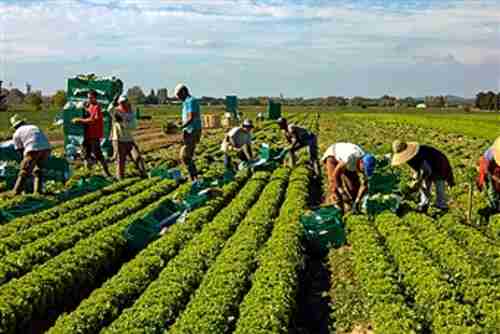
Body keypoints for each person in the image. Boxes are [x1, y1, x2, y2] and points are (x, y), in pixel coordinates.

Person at [391, 140, 454, 212]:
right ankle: (424, 203)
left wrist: (418, 182)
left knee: (439, 186)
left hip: (439, 165)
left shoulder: (420, 154)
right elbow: (416, 169)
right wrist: (415, 180)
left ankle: (442, 205)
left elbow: (426, 171)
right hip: (427, 167)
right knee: (424, 186)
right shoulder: (409, 157)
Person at [322, 143, 376, 213]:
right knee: (335, 188)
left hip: (349, 163)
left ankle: (353, 208)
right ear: (361, 162)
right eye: (363, 169)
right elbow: (335, 175)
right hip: (333, 156)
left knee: (354, 186)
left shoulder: (365, 164)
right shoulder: (349, 158)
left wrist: (357, 200)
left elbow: (364, 185)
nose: (363, 172)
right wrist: (342, 192)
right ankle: (339, 211)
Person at [73, 90, 112, 177]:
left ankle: (106, 172)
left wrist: (80, 120)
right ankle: (88, 173)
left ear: (95, 98)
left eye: (91, 97)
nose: (89, 99)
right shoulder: (89, 106)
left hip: (94, 135)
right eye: (88, 97)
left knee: (98, 154)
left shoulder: (97, 107)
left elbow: (92, 120)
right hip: (87, 134)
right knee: (86, 154)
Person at [9, 114, 51, 195]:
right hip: (46, 148)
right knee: (38, 170)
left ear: (15, 127)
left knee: (24, 171)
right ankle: (38, 191)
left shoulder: (16, 134)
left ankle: (16, 192)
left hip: (32, 148)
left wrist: (25, 163)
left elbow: (21, 150)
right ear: (23, 122)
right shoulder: (33, 126)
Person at [109, 95, 147, 178]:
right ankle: (120, 178)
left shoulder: (131, 112)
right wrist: (113, 101)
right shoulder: (117, 111)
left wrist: (123, 122)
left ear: (127, 103)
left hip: (129, 139)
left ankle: (144, 174)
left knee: (137, 157)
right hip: (118, 139)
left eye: (124, 102)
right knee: (121, 160)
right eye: (121, 103)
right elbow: (110, 110)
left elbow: (133, 126)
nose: (123, 104)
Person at [175, 84, 202, 182]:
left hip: (193, 131)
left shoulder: (191, 101)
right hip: (189, 131)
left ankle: (193, 176)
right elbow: (187, 118)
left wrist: (181, 127)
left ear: (183, 92)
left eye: (178, 95)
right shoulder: (186, 102)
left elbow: (191, 117)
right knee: (187, 155)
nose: (178, 98)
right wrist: (181, 125)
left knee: (185, 155)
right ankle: (193, 177)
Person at [477, 137, 500, 211]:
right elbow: (486, 171)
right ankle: (494, 206)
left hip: (496, 169)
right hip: (490, 171)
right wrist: (496, 179)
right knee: (491, 189)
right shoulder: (488, 157)